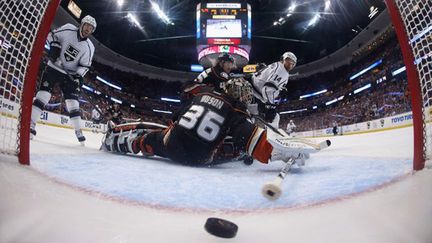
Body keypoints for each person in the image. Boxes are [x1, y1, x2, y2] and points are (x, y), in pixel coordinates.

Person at [101, 78, 320, 166]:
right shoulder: (236, 109)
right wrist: (283, 154)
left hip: (171, 144)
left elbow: (178, 113)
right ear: (240, 96)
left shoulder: (201, 92)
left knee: (146, 141)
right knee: (238, 147)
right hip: (199, 158)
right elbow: (256, 144)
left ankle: (115, 141)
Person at [30, 15, 97, 144]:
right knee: (43, 95)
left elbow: (85, 66)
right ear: (82, 24)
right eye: (87, 25)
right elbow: (51, 35)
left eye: (91, 28)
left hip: (69, 75)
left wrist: (78, 76)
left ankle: (78, 130)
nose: (88, 29)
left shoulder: (90, 47)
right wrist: (54, 46)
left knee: (73, 103)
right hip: (54, 68)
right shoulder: (68, 28)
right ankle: (31, 124)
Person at [249, 52, 297, 128]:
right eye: (288, 61)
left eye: (292, 63)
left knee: (252, 117)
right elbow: (268, 88)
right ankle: (269, 133)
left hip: (252, 89)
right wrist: (270, 106)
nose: (290, 64)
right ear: (282, 59)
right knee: (274, 117)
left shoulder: (277, 65)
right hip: (255, 94)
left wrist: (279, 90)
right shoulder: (282, 71)